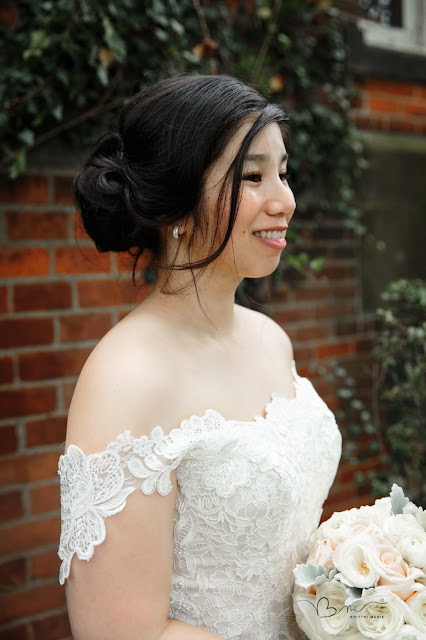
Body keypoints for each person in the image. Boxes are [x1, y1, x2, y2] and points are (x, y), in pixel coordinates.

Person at [58, 74, 342, 640]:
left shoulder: (271, 338)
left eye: (283, 173)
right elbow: (122, 633)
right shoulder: (127, 379)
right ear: (179, 202)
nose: (284, 200)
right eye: (253, 176)